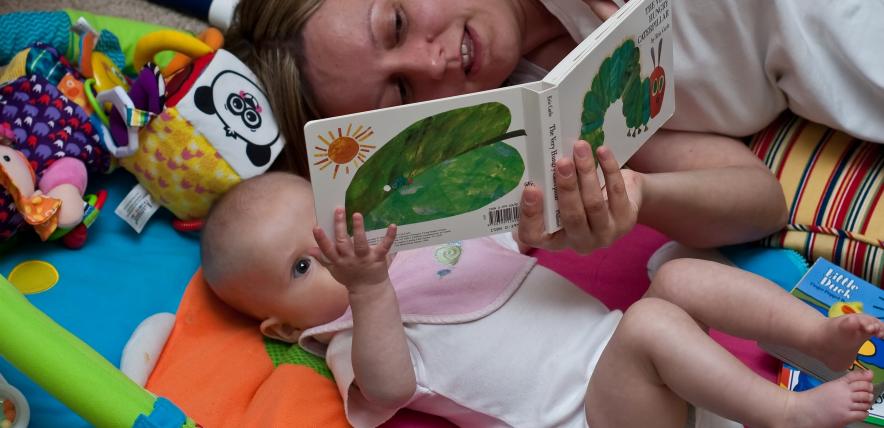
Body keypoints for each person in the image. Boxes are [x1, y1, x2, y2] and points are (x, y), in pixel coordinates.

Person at [201, 171, 882, 428]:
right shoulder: (349, 326)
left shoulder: (417, 245)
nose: (332, 257)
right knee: (649, 319)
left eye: (325, 230)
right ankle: (784, 414)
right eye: (300, 266)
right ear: (281, 325)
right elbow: (387, 387)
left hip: (642, 359)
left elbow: (525, 246)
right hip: (592, 415)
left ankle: (813, 336)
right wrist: (369, 287)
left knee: (676, 277)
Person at [221, 0, 882, 255]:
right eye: (402, 93)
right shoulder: (553, 119)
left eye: (396, 23)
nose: (433, 62)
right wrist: (640, 199)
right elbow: (759, 201)